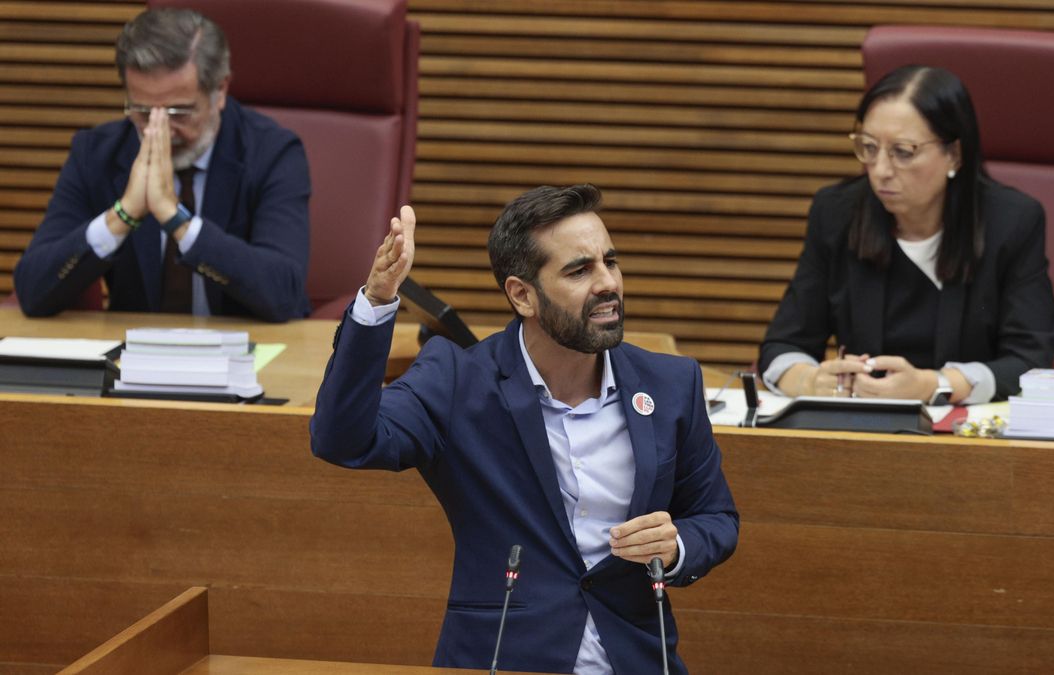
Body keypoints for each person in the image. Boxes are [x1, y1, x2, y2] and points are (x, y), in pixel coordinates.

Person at [310, 185, 738, 674]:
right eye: (579, 270)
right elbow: (341, 439)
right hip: (504, 658)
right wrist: (376, 303)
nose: (608, 283)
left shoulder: (671, 384)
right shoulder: (458, 381)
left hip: (635, 658)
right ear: (522, 295)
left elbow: (716, 518)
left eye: (611, 262)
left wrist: (677, 545)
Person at [759, 65, 1054, 404]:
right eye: (869, 147)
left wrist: (936, 385)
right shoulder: (837, 213)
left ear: (954, 154)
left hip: (973, 440)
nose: (881, 171)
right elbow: (782, 346)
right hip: (860, 432)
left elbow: (1030, 361)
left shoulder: (1012, 221)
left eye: (903, 152)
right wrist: (810, 380)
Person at [13, 8, 310, 322]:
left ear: (219, 91)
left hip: (252, 355)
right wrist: (124, 214)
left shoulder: (272, 152)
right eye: (142, 111)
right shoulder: (97, 154)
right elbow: (33, 293)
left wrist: (176, 220)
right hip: (135, 359)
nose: (160, 130)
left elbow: (284, 294)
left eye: (178, 113)